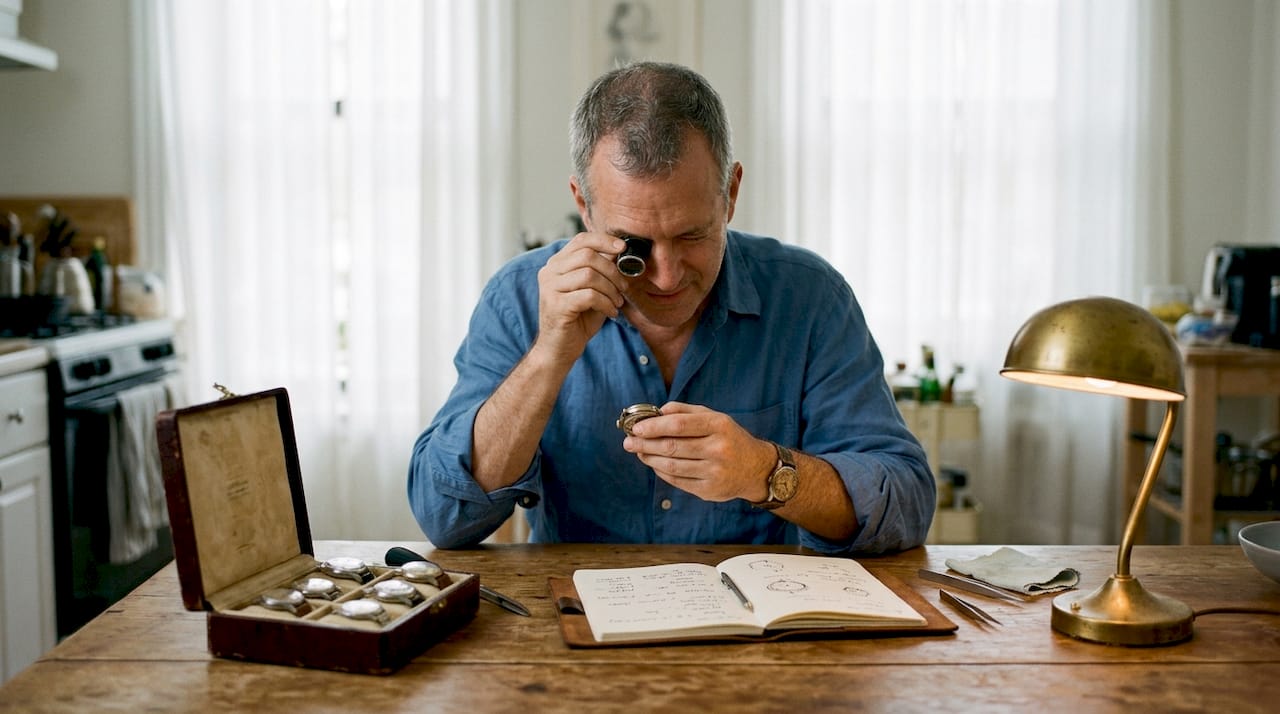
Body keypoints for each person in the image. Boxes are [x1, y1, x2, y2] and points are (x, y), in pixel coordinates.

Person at [407, 61, 934, 554]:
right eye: (633, 245)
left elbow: (906, 503)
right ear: (583, 207)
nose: (666, 275)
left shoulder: (810, 298)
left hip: (761, 634)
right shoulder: (520, 297)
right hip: (575, 629)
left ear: (730, 193)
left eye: (692, 236)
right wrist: (548, 355)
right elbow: (445, 517)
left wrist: (764, 471)